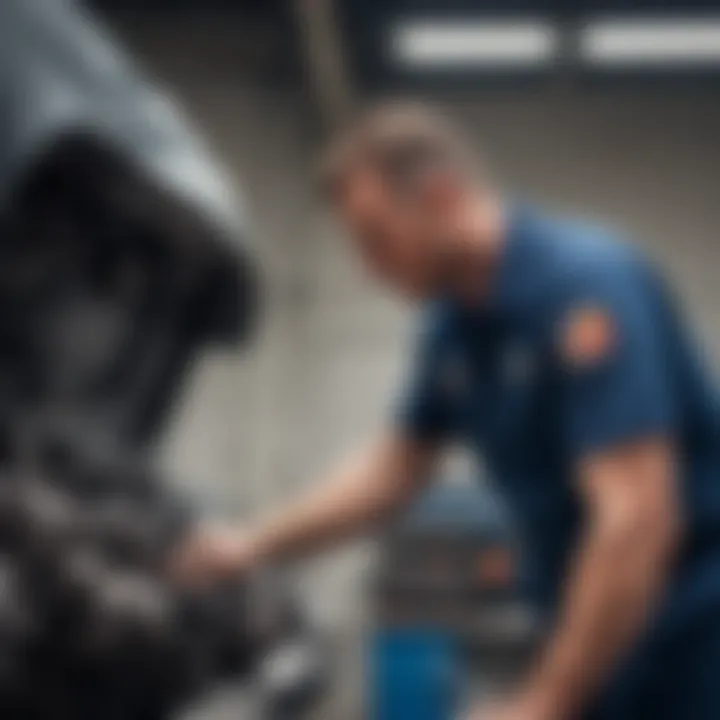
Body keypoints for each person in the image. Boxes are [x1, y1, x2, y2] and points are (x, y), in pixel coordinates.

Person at [172, 102, 720, 720]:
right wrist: (248, 546)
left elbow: (636, 521)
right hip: (596, 635)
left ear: (443, 196)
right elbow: (390, 475)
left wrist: (547, 701)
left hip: (692, 638)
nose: (367, 268)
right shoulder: (453, 330)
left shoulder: (585, 288)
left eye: (377, 238)